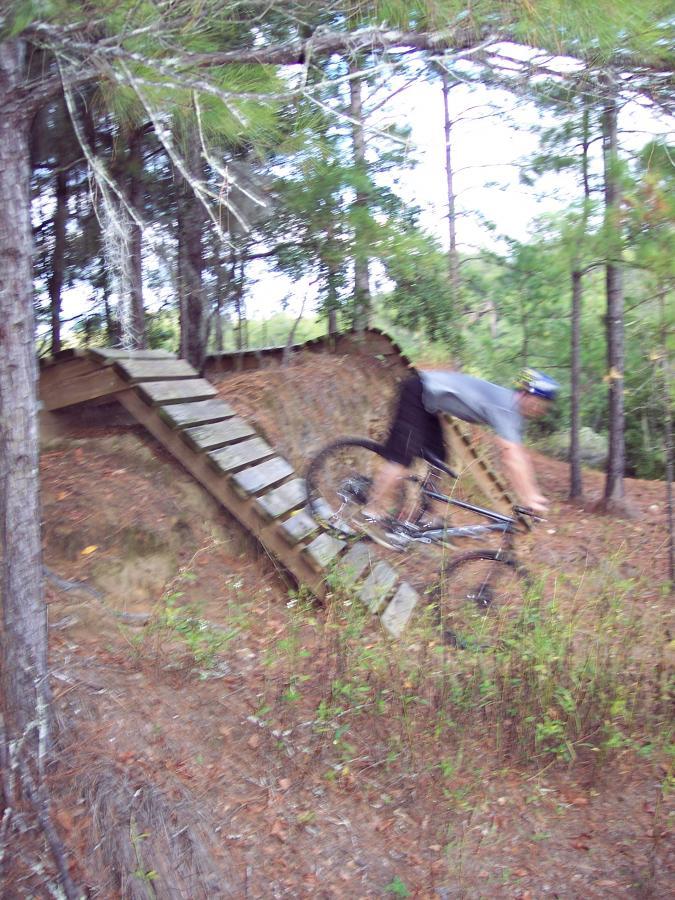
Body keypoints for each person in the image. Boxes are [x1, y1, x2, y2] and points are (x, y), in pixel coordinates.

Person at [359, 367, 559, 543]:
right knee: (402, 459)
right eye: (542, 404)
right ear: (528, 395)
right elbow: (510, 456)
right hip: (418, 392)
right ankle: (370, 511)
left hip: (430, 403)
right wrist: (529, 497)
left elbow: (520, 455)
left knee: (438, 460)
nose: (542, 410)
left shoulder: (514, 412)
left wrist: (533, 493)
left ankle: (429, 518)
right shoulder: (506, 406)